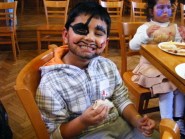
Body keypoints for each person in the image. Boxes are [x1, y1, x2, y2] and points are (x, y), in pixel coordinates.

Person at [36, 1, 159, 139]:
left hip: (121, 125)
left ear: (105, 43)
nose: (89, 38)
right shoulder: (51, 84)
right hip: (85, 134)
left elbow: (121, 99)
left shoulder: (107, 66)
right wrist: (83, 121)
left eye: (98, 33)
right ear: (65, 35)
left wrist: (137, 120)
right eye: (81, 30)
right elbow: (54, 134)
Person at [129, 0, 185, 137]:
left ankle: (178, 119)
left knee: (180, 79)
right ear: (151, 11)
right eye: (160, 7)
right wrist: (146, 35)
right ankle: (167, 121)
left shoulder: (174, 27)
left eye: (168, 7)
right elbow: (132, 46)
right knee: (167, 80)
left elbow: (178, 47)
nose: (165, 10)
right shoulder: (146, 27)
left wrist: (183, 39)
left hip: (169, 65)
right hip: (149, 67)